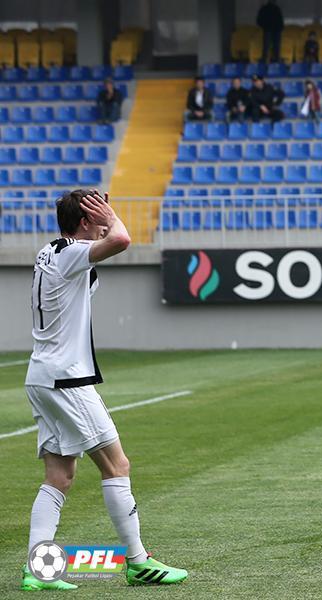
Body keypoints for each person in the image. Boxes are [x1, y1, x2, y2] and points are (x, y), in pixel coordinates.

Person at [20, 190, 188, 591]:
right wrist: (112, 219)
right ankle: (138, 562)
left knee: (59, 476)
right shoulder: (71, 252)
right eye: (97, 217)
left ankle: (37, 570)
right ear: (84, 222)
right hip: (67, 380)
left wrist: (102, 220)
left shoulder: (51, 252)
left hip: (42, 376)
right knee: (117, 465)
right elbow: (122, 240)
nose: (104, 224)